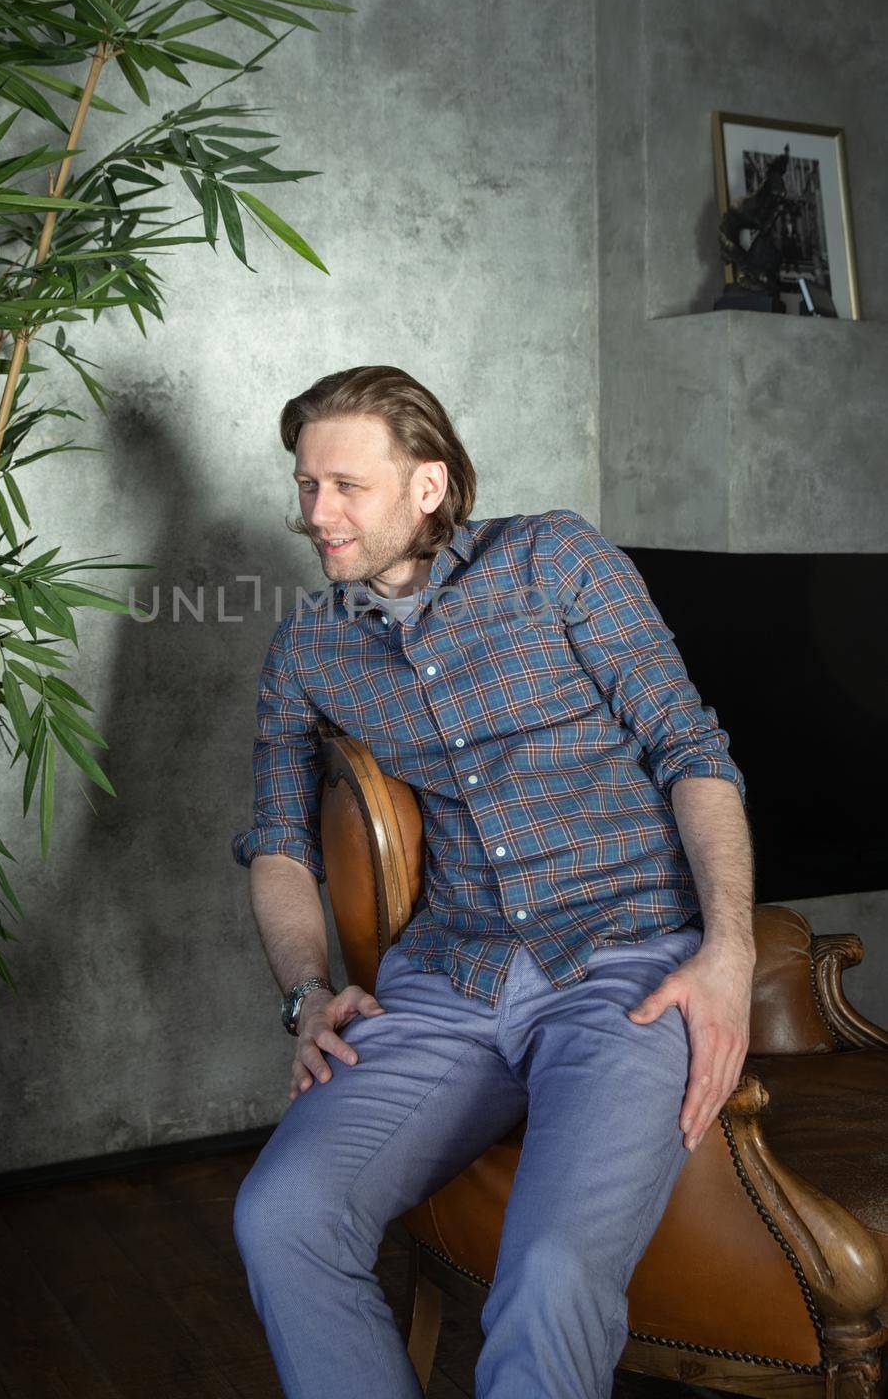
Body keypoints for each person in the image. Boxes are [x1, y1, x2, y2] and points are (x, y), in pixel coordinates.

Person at [230, 365, 755, 1399]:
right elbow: (277, 839)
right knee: (279, 1214)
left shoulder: (554, 559)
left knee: (553, 1273)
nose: (315, 514)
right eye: (304, 487)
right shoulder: (307, 644)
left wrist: (727, 949)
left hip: (627, 965)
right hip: (448, 980)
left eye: (345, 487)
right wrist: (304, 991)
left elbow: (689, 750)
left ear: (426, 486)